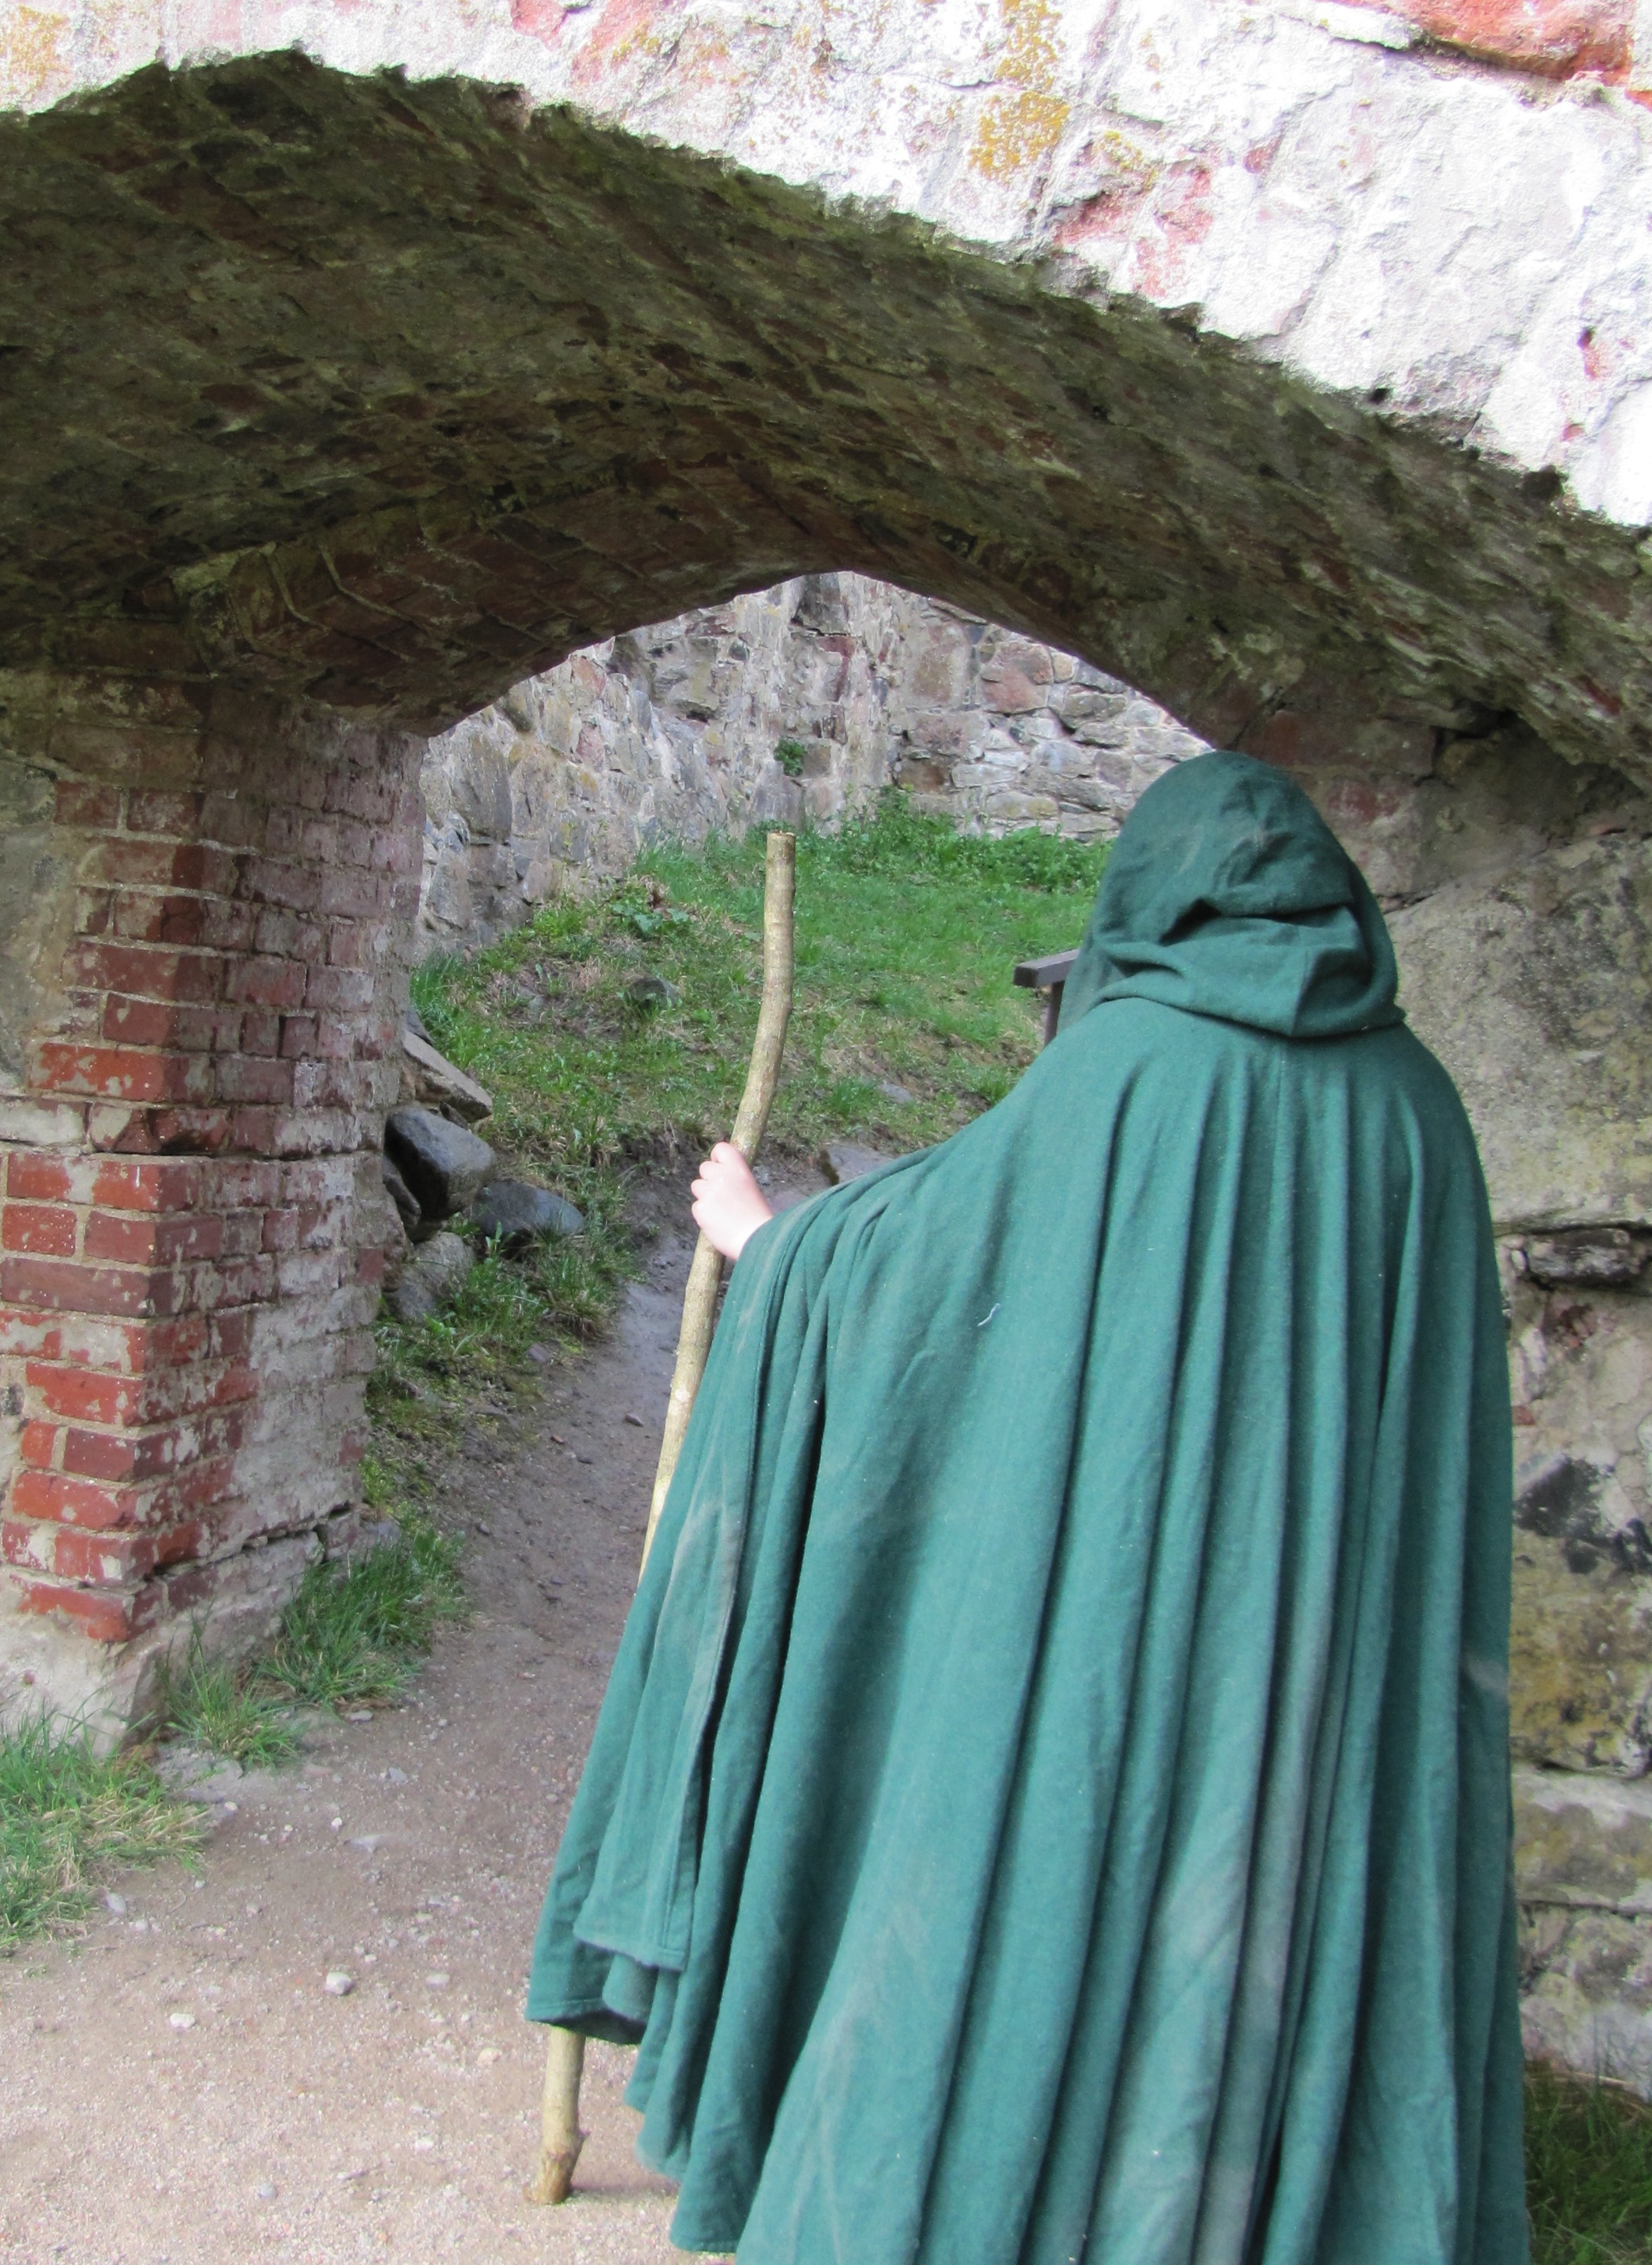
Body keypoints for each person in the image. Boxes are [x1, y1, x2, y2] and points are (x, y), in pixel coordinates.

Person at [527, 751, 1527, 2265]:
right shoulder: (1416, 1110)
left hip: (1121, 1628)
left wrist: (772, 1245)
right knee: (1265, 1885)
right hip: (1320, 1652)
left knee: (1071, 1866)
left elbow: (941, 1261)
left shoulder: (1125, 1074)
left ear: (1148, 897)